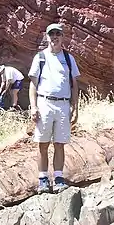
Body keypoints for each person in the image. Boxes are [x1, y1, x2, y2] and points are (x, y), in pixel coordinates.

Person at [28, 23, 80, 194]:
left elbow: (74, 84)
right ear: (47, 37)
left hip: (63, 105)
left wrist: (75, 108)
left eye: (57, 34)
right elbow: (33, 85)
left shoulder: (68, 58)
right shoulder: (40, 57)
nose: (54, 37)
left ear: (62, 37)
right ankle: (43, 179)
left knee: (59, 143)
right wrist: (33, 107)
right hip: (45, 104)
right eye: (51, 34)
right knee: (42, 144)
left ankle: (58, 178)